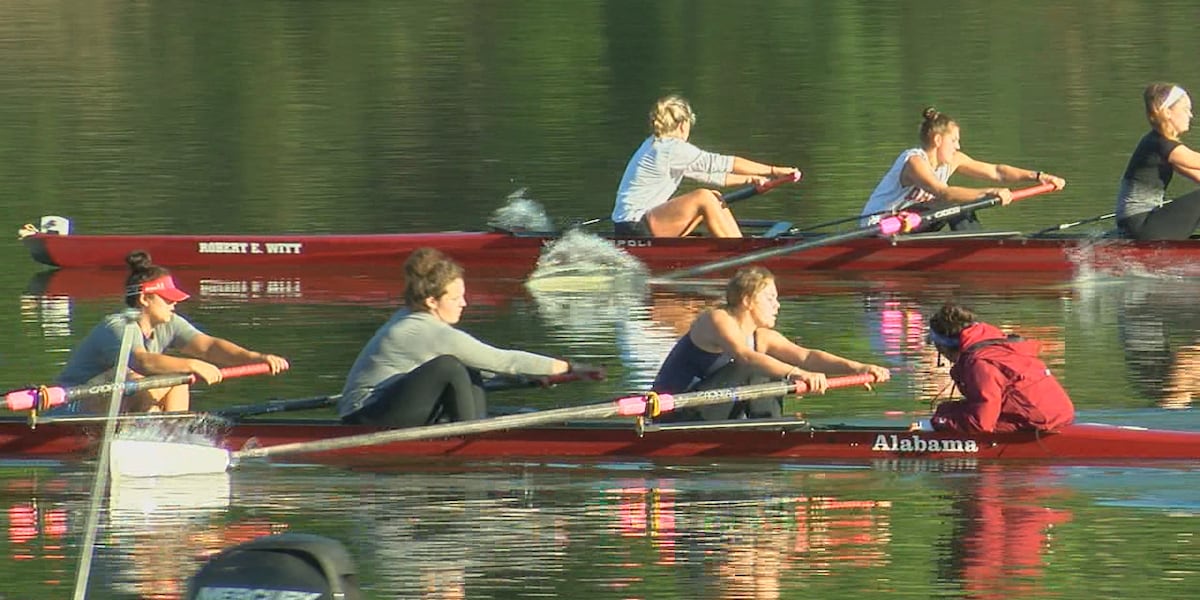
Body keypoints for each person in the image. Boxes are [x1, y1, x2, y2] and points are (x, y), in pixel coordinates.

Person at [338, 247, 603, 427]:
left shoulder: (412, 316)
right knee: (449, 366)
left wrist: (529, 376)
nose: (464, 303)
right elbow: (502, 359)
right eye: (455, 298)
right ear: (431, 301)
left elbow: (489, 366)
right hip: (364, 415)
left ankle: (472, 429)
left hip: (390, 404)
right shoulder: (425, 330)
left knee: (466, 366)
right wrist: (570, 367)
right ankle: (471, 438)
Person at [54, 251, 290, 413]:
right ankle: (150, 429)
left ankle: (168, 432)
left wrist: (255, 358)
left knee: (178, 381)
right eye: (167, 299)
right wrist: (192, 365)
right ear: (145, 298)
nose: (173, 304)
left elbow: (208, 346)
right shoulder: (118, 326)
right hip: (71, 405)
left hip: (118, 404)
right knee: (141, 375)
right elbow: (143, 361)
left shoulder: (169, 322)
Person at [651, 265, 890, 422]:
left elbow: (807, 357)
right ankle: (771, 429)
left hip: (709, 412)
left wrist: (857, 368)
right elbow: (745, 357)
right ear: (747, 300)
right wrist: (797, 374)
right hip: (674, 413)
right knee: (756, 366)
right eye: (770, 298)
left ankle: (770, 428)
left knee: (770, 364)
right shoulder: (716, 319)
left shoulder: (761, 336)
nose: (777, 305)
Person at [610, 94, 799, 238]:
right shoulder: (670, 148)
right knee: (704, 197)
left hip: (633, 224)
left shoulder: (655, 144)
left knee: (713, 196)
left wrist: (751, 179)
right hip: (635, 228)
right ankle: (741, 251)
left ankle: (740, 243)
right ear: (683, 124)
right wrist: (775, 170)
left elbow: (712, 176)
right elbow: (722, 163)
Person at [861, 107, 1066, 231]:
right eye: (954, 140)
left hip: (908, 222)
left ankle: (978, 246)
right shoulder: (914, 162)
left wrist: (1038, 176)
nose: (958, 146)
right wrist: (988, 192)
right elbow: (943, 192)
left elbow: (997, 172)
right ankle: (980, 251)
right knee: (953, 202)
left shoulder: (953, 159)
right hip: (879, 226)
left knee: (957, 205)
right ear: (938, 140)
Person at [922, 303, 1074, 433]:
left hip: (1040, 423)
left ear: (943, 346)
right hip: (1058, 414)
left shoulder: (979, 362)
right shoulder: (997, 346)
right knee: (947, 409)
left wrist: (937, 424)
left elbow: (981, 424)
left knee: (945, 416)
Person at [1115, 82, 1200, 240]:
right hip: (1140, 225)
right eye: (1186, 109)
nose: (1191, 115)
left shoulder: (1158, 143)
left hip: (1139, 223)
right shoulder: (1161, 145)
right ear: (1168, 112)